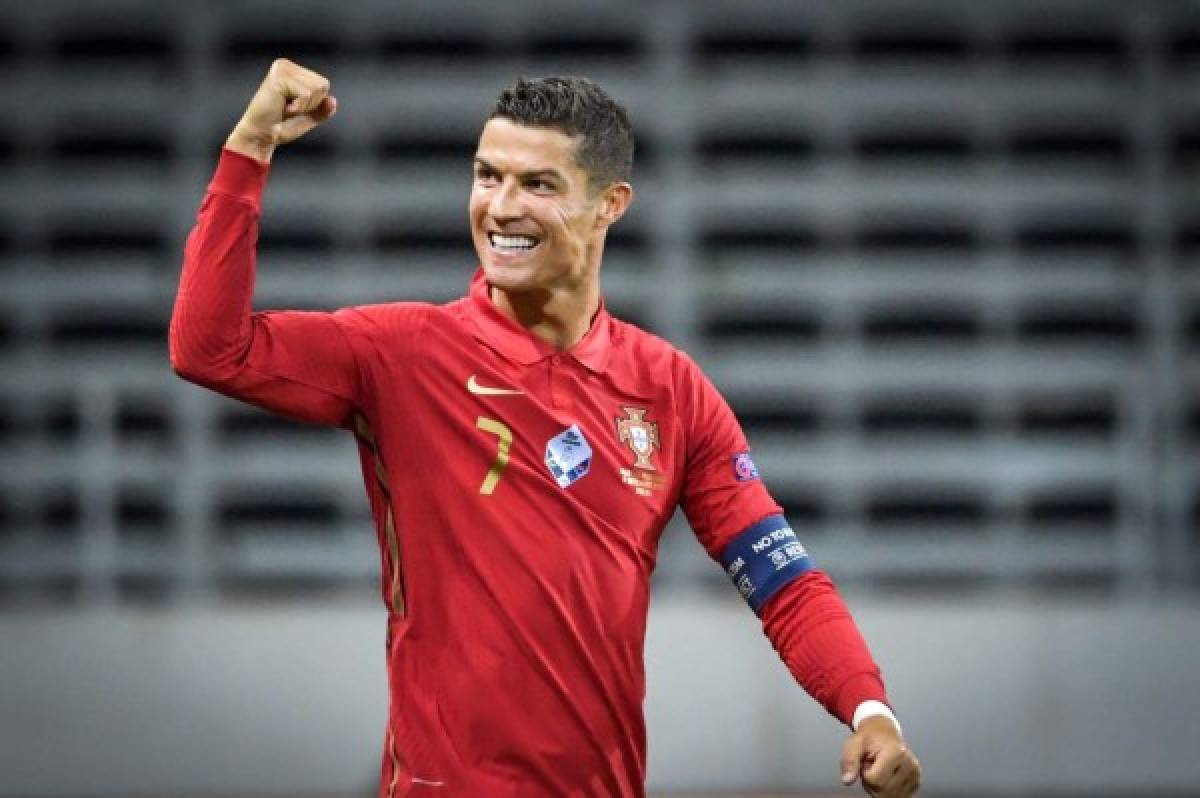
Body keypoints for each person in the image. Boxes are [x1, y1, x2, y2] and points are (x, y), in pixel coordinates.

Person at [169, 58, 922, 798]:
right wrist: (250, 148)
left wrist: (869, 709)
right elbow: (210, 349)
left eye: (538, 184)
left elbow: (780, 578)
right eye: (486, 175)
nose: (500, 208)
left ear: (610, 204)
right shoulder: (399, 354)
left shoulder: (670, 390)